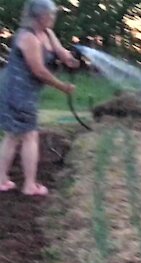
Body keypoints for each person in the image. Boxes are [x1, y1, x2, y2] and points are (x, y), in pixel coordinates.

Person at [0, 0, 79, 196]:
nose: (53, 18)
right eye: (50, 15)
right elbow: (39, 71)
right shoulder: (28, 38)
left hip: (25, 92)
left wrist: (69, 58)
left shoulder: (47, 33)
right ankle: (29, 185)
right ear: (39, 16)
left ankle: (2, 180)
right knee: (29, 136)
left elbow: (60, 52)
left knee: (13, 136)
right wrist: (63, 87)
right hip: (18, 92)